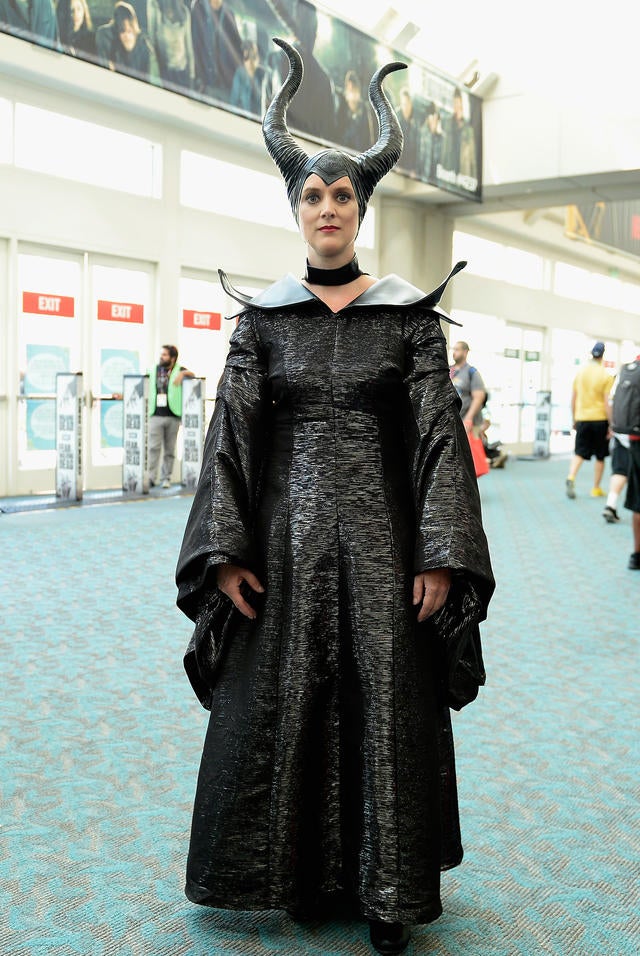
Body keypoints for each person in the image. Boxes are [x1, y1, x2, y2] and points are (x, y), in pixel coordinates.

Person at [175, 37, 494, 956]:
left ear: (362, 207)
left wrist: (441, 552)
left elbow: (439, 437)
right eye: (312, 194)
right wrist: (225, 548)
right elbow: (230, 435)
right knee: (289, 700)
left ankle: (391, 891)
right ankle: (306, 874)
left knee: (386, 703)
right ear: (296, 208)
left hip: (389, 546)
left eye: (342, 194)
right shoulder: (262, 321)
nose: (327, 206)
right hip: (278, 549)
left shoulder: (407, 318)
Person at [566, 341, 613, 499]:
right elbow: (607, 402)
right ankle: (596, 488)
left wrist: (574, 418)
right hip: (599, 419)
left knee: (579, 451)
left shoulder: (581, 373)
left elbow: (573, 398)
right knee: (600, 455)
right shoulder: (605, 375)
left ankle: (571, 477)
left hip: (582, 418)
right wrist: (611, 424)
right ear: (603, 355)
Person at [146, 345, 194, 489]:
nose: (162, 357)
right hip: (156, 414)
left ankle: (166, 478)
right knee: (153, 448)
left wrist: (183, 374)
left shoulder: (179, 369)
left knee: (169, 450)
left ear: (172, 358)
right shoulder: (154, 369)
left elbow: (193, 374)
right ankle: (151, 478)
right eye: (161, 354)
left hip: (173, 415)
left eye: (165, 355)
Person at [609, 354, 640, 566]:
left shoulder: (629, 368)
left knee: (638, 501)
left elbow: (612, 402)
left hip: (634, 439)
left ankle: (636, 554)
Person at [191, 0, 243, 102]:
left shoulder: (229, 13)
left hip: (225, 90)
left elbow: (237, 52)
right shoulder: (198, 7)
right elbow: (193, 45)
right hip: (204, 86)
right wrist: (200, 82)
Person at [147, 0, 194, 91]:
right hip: (164, 71)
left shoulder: (184, 11)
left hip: (182, 72)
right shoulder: (155, 6)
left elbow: (189, 46)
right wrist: (155, 74)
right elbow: (152, 41)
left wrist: (192, 76)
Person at [450, 340, 486, 434]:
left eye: (457, 350)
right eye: (454, 350)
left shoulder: (471, 372)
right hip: (453, 421)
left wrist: (468, 419)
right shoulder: (449, 370)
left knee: (471, 448)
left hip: (469, 424)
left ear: (465, 352)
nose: (454, 352)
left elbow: (478, 397)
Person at [441, 87, 477, 180]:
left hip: (463, 174)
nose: (457, 109)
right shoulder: (447, 123)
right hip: (449, 172)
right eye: (455, 105)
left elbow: (472, 159)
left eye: (459, 106)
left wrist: (473, 179)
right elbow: (443, 150)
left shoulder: (468, 130)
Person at [335, 70, 375, 153]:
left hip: (359, 154)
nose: (351, 92)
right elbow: (336, 131)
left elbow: (368, 139)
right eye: (349, 89)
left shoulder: (364, 109)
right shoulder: (342, 106)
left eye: (353, 88)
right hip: (341, 152)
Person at [229, 40, 264, 116]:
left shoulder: (263, 75)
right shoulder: (240, 75)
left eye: (253, 57)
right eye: (246, 58)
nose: (250, 62)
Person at [395, 87, 418, 175]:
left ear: (411, 104)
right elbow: (393, 146)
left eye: (408, 104)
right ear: (401, 104)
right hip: (398, 168)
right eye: (404, 104)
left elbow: (417, 147)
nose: (406, 107)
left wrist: (414, 169)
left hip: (411, 169)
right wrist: (396, 166)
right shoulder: (396, 119)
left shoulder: (415, 122)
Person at [419, 100, 442, 182]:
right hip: (423, 177)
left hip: (436, 179)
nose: (435, 121)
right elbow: (420, 157)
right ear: (428, 118)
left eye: (436, 118)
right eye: (432, 117)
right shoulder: (422, 133)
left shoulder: (440, 137)